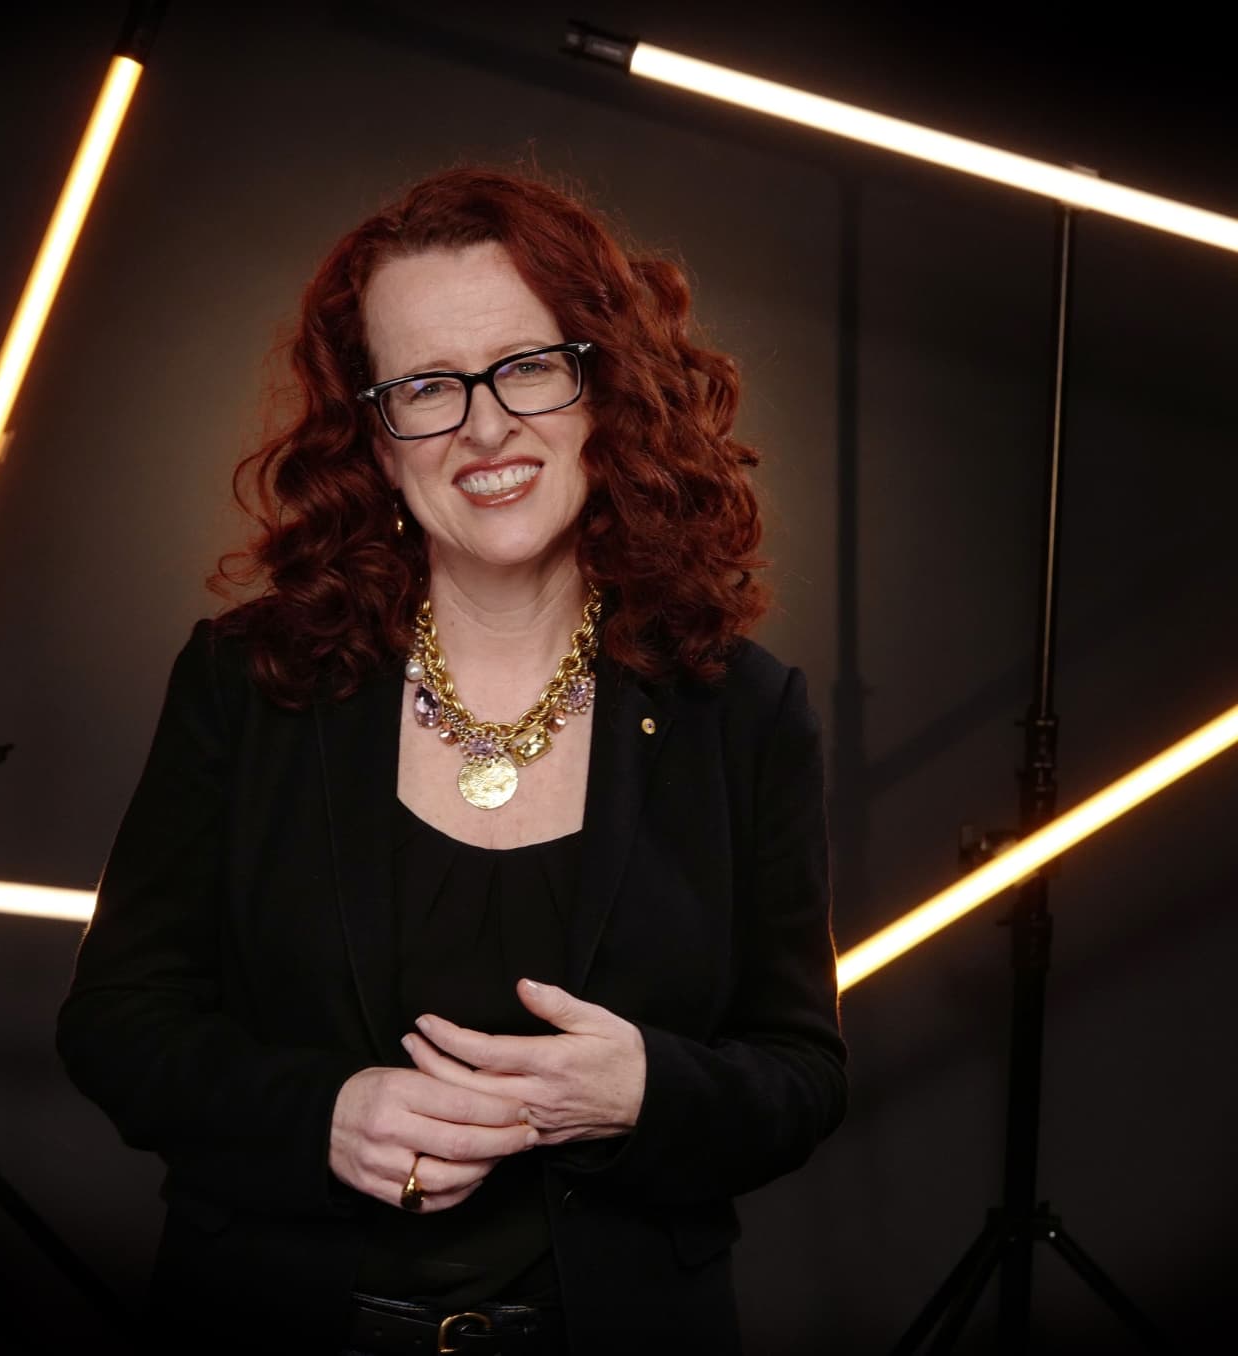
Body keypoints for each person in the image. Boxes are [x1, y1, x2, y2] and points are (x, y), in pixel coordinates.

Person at [55, 166, 847, 1356]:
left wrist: (642, 1094)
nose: (483, 427)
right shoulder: (248, 680)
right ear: (375, 440)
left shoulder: (742, 710)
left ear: (605, 390)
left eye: (526, 366)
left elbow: (800, 1075)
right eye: (426, 386)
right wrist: (323, 1116)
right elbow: (115, 1021)